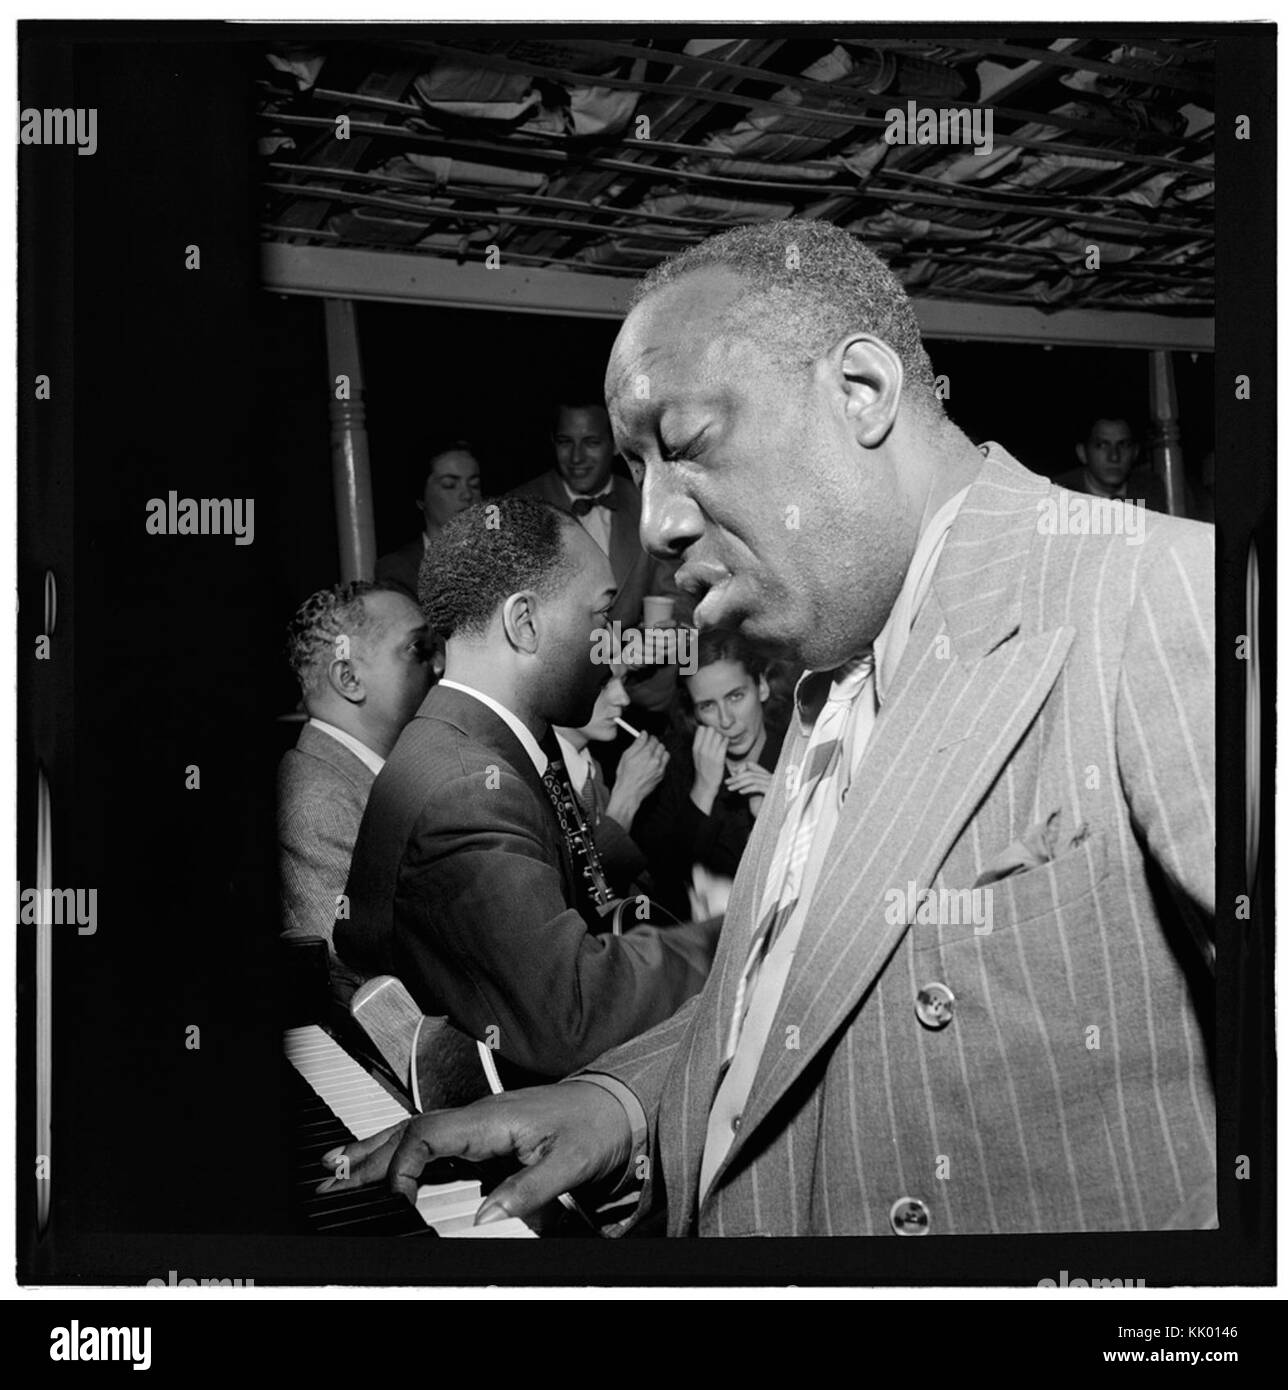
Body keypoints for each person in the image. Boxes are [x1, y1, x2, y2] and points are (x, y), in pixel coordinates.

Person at [323, 220, 1215, 1238]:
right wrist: (619, 1099)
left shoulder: (1172, 600)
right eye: (634, 466)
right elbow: (790, 991)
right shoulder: (822, 678)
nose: (654, 521)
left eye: (688, 445)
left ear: (862, 394)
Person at [335, 497, 717, 1084]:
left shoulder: (484, 741)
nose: (613, 643)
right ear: (525, 623)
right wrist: (733, 939)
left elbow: (577, 876)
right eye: (602, 614)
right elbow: (572, 1012)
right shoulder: (467, 787)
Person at [277, 581, 435, 1006]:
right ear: (349, 678)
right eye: (419, 650)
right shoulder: (317, 808)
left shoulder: (385, 779)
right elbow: (374, 1000)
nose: (439, 666)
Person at [510, 397, 689, 715]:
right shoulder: (519, 507)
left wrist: (666, 637)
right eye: (566, 442)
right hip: (550, 703)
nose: (577, 457)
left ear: (616, 445)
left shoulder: (648, 503)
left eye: (591, 442)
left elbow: (676, 597)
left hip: (638, 699)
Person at [634, 628, 784, 914]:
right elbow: (666, 886)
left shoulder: (795, 757)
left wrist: (783, 810)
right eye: (708, 706)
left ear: (762, 686)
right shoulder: (673, 764)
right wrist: (703, 791)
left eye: (736, 696)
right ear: (694, 711)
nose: (726, 720)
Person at [552, 668, 669, 896]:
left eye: (623, 679)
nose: (623, 698)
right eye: (604, 682)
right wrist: (627, 797)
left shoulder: (593, 769)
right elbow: (582, 898)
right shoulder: (532, 779)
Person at [375, 442, 482, 599]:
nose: (467, 495)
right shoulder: (400, 569)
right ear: (421, 499)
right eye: (449, 485)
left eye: (474, 485)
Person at [1053, 416, 1169, 512]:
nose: (1114, 457)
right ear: (1082, 453)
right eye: (1102, 445)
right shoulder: (1057, 496)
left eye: (1123, 445)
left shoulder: (1154, 491)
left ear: (1135, 452)